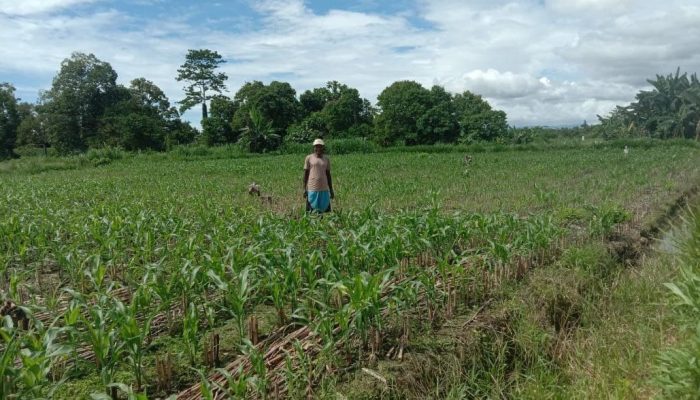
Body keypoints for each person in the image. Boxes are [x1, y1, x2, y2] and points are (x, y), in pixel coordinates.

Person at [303, 138, 334, 213]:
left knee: (323, 210)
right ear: (314, 147)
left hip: (324, 188)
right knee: (311, 211)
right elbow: (306, 174)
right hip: (312, 188)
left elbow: (328, 175)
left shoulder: (326, 159)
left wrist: (331, 189)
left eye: (320, 146)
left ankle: (321, 223)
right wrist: (304, 188)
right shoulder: (309, 158)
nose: (318, 148)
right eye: (316, 146)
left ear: (323, 148)